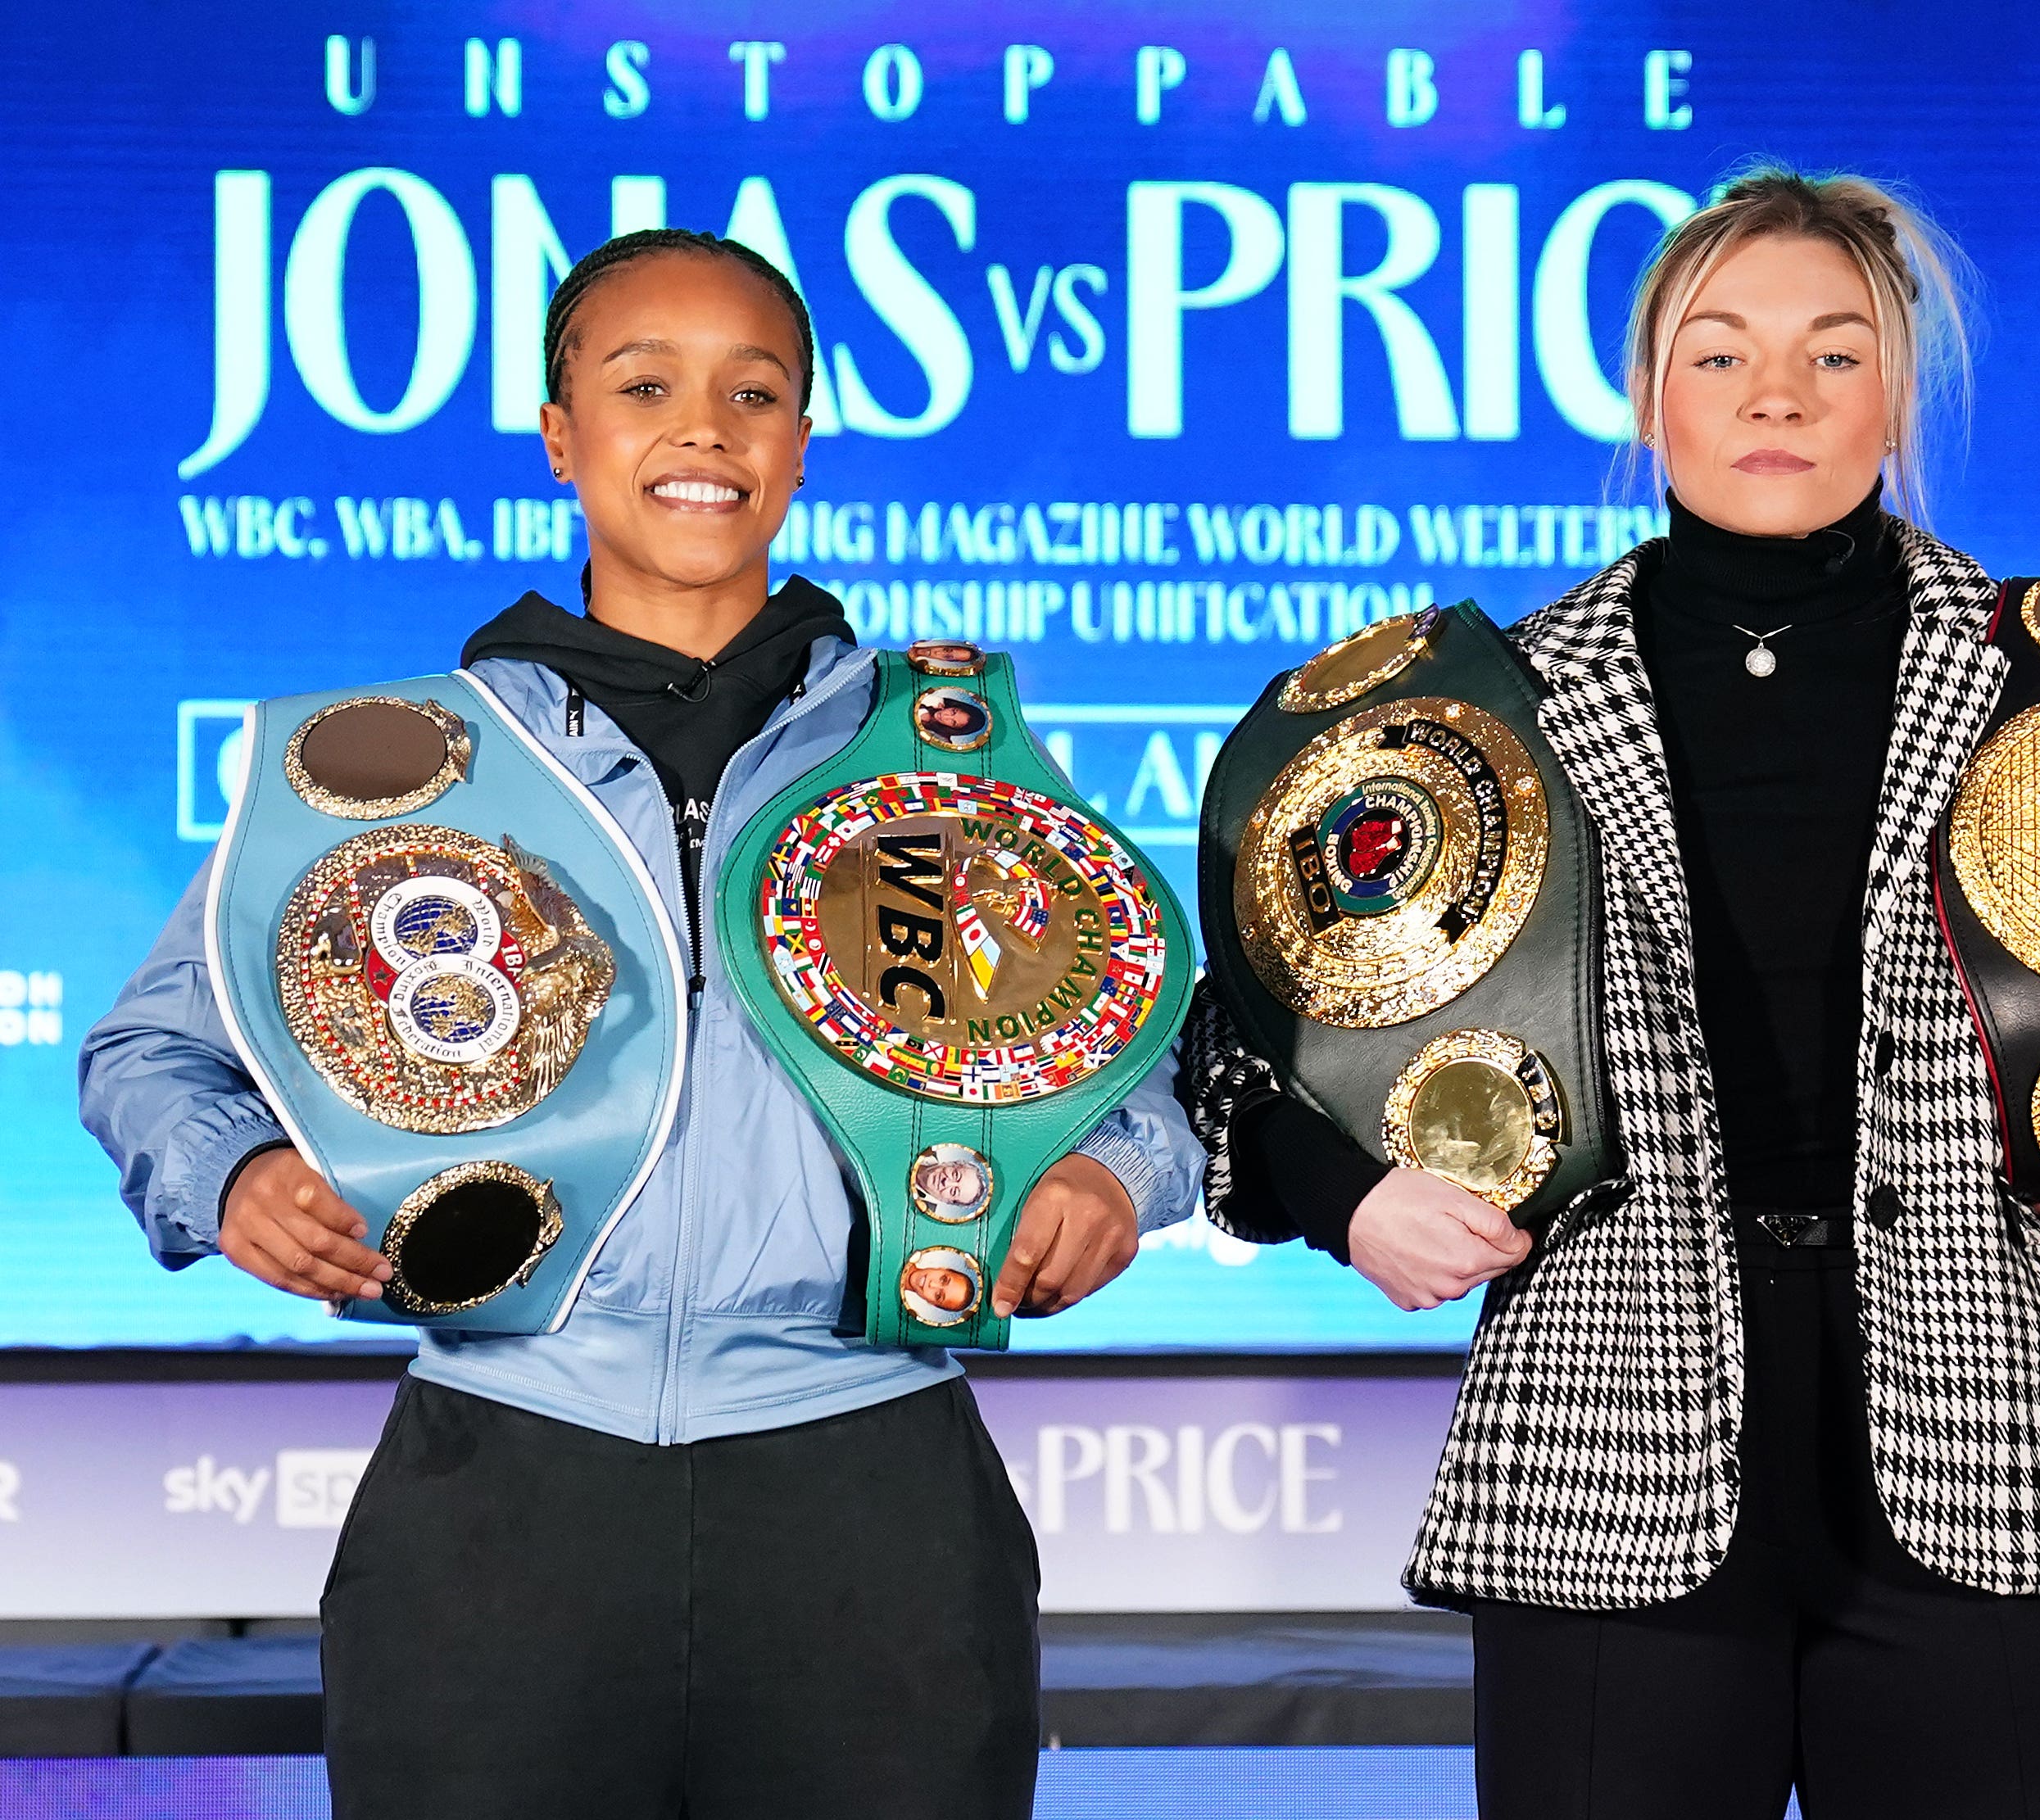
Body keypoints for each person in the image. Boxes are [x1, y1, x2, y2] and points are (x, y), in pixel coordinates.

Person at [1181, 165, 2040, 1819]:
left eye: (1833, 353)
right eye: (1720, 351)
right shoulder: (1476, 704)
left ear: (1894, 391)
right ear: (1646, 390)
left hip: (1998, 1449)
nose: (1777, 392)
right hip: (1601, 1461)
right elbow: (1242, 1054)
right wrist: (1355, 1201)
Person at [79, 228, 1204, 1820]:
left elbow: (1143, 1064)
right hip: (506, 1487)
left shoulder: (946, 759)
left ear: (802, 442)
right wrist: (236, 1173)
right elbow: (148, 1050)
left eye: (754, 391)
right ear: (560, 433)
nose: (702, 426)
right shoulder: (399, 764)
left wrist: (1109, 1180)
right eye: (643, 383)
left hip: (869, 1493)